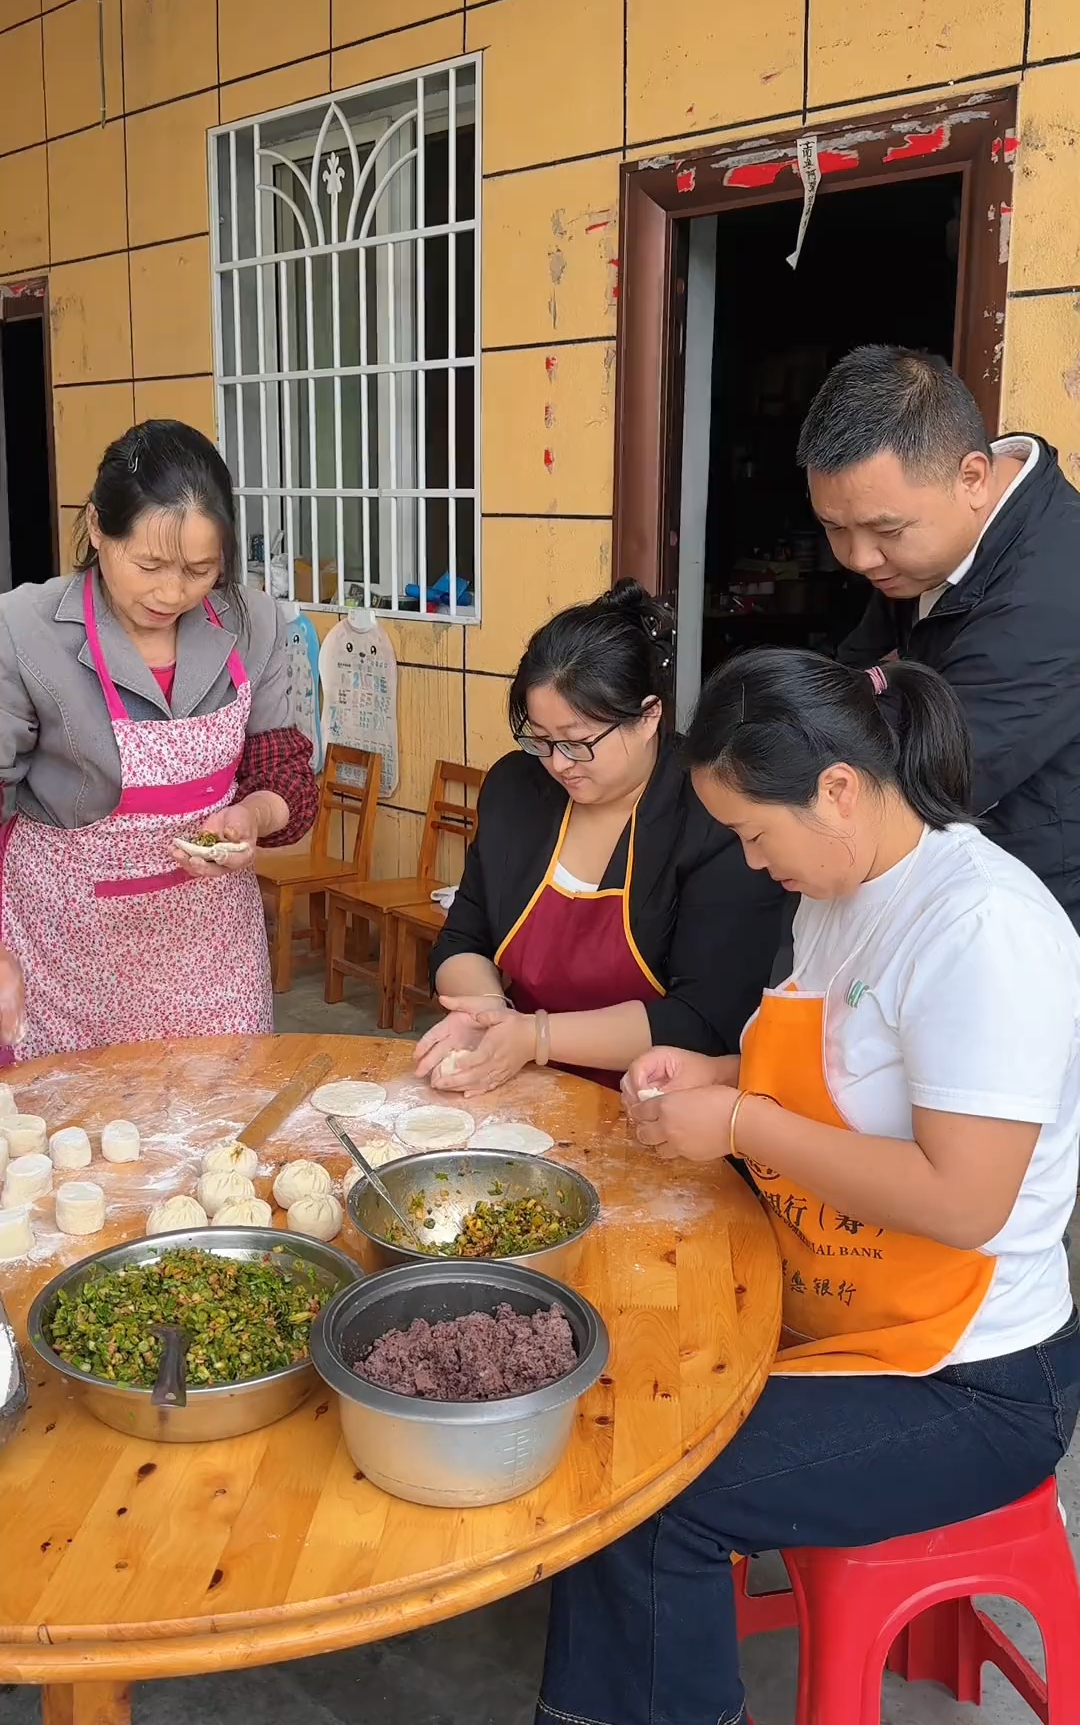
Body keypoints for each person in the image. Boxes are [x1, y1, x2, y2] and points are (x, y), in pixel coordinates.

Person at [536, 646, 1080, 1725]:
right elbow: (849, 1084)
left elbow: (963, 1198)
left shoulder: (982, 929)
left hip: (969, 1379)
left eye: (752, 832)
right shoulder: (839, 887)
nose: (747, 860)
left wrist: (741, 1121)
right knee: (590, 1370)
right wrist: (720, 1075)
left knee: (646, 1493)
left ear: (837, 790)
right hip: (840, 1305)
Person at [0, 420, 319, 1058]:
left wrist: (252, 816)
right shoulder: (24, 630)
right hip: (68, 951)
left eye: (201, 570)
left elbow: (284, 770)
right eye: (149, 564)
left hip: (211, 946)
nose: (173, 593)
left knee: (220, 1128)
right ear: (97, 528)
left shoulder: (254, 622)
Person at [414, 580, 783, 1094]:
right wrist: (491, 1017)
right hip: (521, 1086)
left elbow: (705, 1020)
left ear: (648, 716)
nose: (559, 764)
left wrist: (536, 1036)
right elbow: (461, 939)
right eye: (540, 740)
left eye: (579, 742)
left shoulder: (710, 813)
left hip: (659, 1103)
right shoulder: (517, 790)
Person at [799, 343, 1080, 926]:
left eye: (886, 530)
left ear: (972, 478)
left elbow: (934, 780)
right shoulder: (921, 553)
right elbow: (849, 682)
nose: (858, 557)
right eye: (833, 528)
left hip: (1029, 907)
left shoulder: (1055, 591)